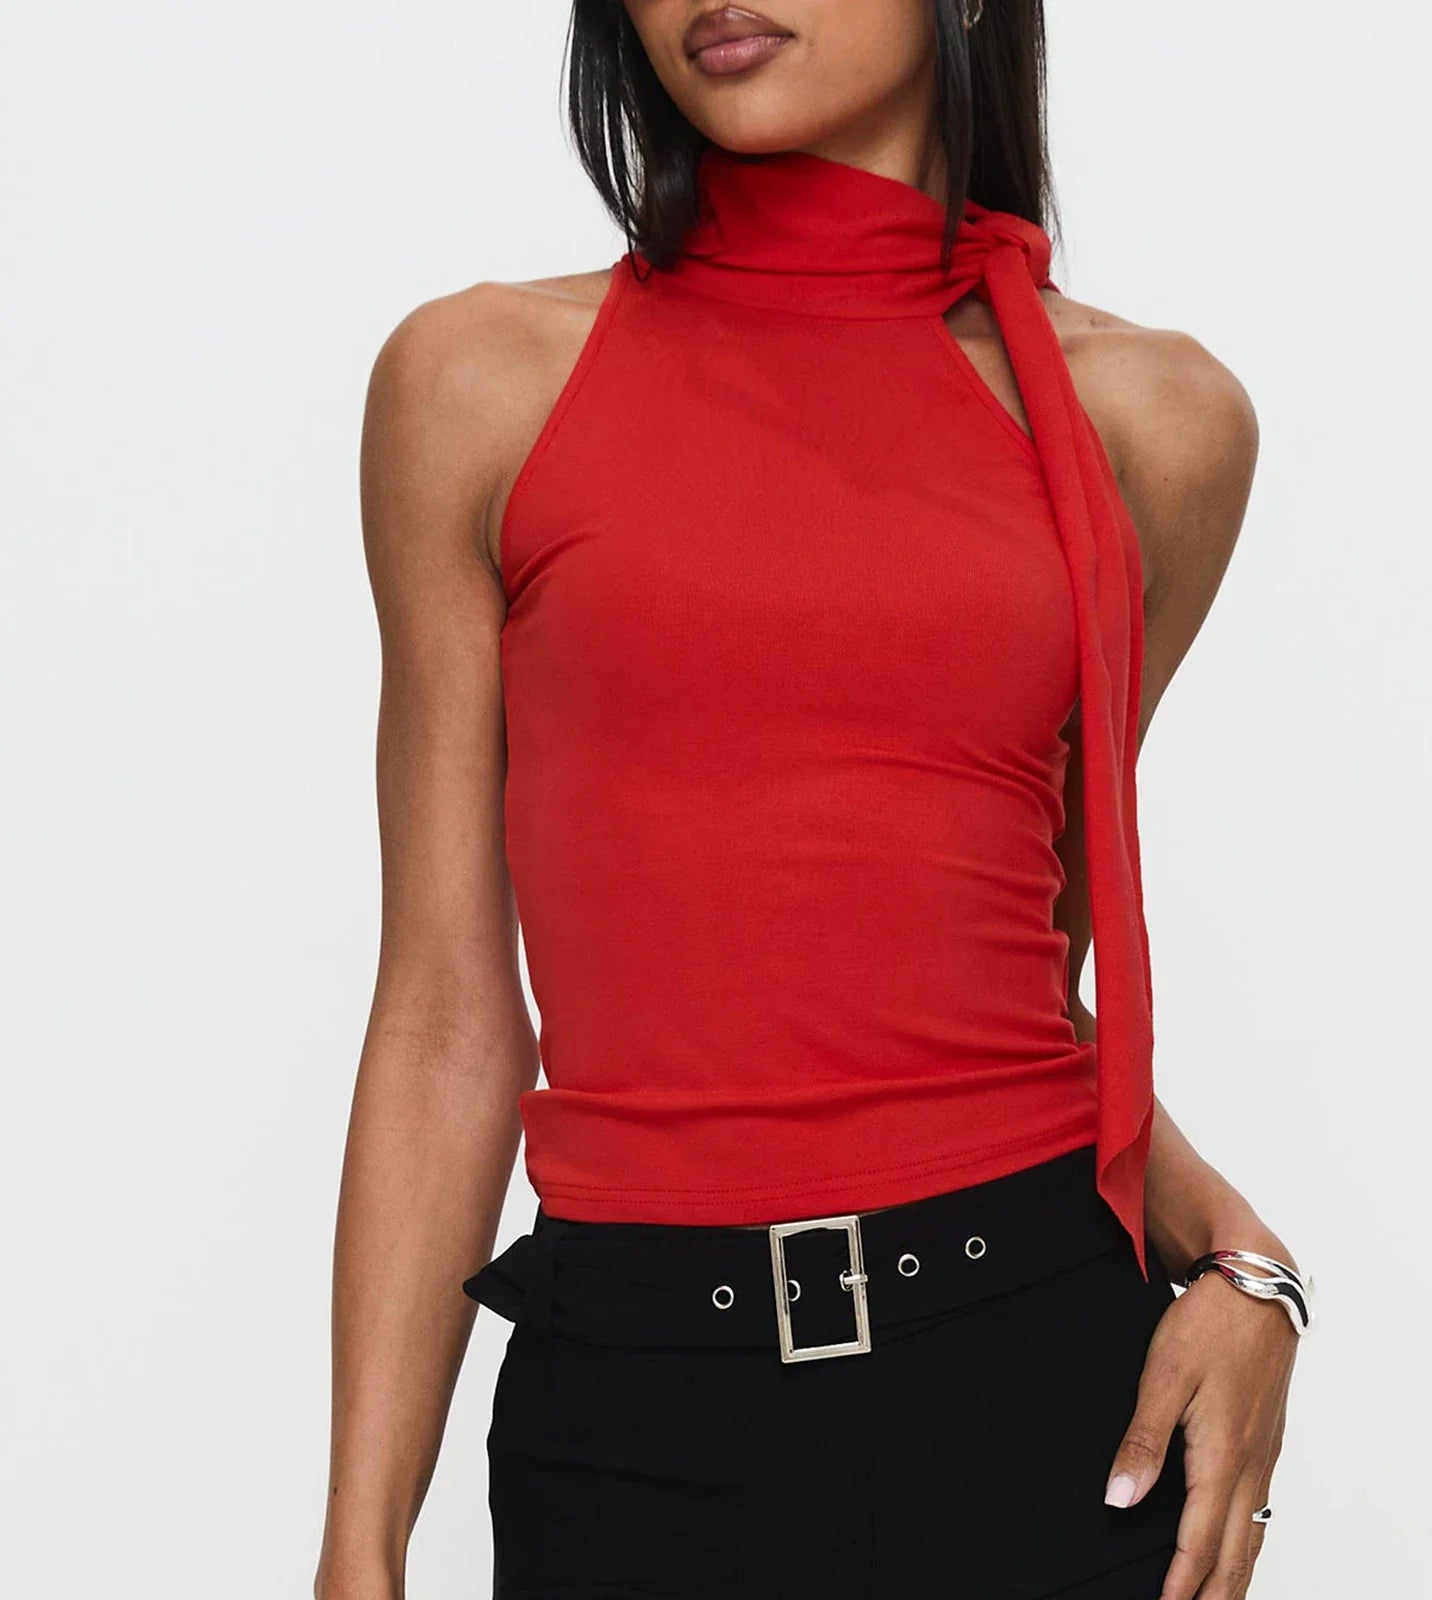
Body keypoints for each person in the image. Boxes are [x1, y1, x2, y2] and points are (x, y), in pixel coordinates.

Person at [314, 4, 1309, 1598]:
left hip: (1037, 1388)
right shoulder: (476, 384)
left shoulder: (1153, 423)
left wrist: (1244, 1270)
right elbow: (443, 1012)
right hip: (629, 1417)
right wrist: (357, 1549)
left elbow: (1009, 979)